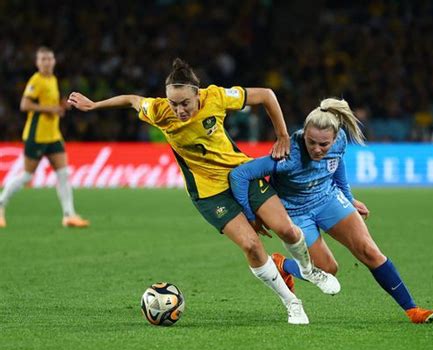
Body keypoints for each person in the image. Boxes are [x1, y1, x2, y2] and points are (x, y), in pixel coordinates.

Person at [67, 58, 340, 325]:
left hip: (240, 174)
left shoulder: (216, 97)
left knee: (287, 230)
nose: (179, 110)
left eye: (185, 103)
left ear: (197, 94)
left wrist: (282, 136)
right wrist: (95, 105)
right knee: (251, 245)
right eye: (173, 103)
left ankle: (309, 270)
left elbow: (267, 95)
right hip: (208, 192)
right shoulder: (160, 111)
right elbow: (131, 99)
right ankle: (291, 303)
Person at [230, 98, 433, 324]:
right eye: (311, 142)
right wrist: (251, 217)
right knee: (327, 269)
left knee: (369, 251)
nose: (317, 149)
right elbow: (239, 175)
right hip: (296, 211)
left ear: (334, 138)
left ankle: (412, 310)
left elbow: (336, 162)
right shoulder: (289, 155)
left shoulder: (339, 140)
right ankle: (283, 265)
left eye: (324, 144)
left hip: (328, 199)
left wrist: (349, 199)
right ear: (304, 134)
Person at [0, 47, 89, 228]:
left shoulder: (53, 79)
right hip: (37, 136)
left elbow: (50, 105)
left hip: (53, 135)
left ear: (54, 61)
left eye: (49, 59)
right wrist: (51, 109)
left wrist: (61, 106)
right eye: (43, 59)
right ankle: (1, 204)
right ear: (37, 63)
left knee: (63, 174)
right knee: (26, 176)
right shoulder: (36, 80)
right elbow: (24, 104)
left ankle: (69, 215)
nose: (47, 62)